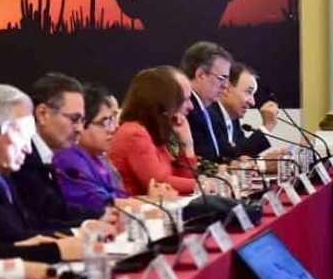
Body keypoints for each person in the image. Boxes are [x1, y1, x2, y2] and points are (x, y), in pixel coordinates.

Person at [0, 88, 82, 262]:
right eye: (22, 136)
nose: (28, 149)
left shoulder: (4, 176)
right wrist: (56, 250)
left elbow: (27, 231)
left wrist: (78, 232)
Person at [11, 72, 105, 224]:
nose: (80, 128)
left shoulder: (46, 155)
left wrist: (102, 216)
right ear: (42, 114)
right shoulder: (22, 159)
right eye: (74, 119)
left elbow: (56, 209)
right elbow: (40, 219)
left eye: (82, 120)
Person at [109, 66, 199, 196]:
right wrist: (204, 184)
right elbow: (160, 183)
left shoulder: (154, 132)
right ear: (163, 102)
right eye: (183, 100)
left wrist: (187, 144)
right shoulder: (134, 133)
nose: (191, 106)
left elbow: (184, 181)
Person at [52, 84, 131, 214]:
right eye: (104, 122)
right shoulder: (67, 157)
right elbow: (96, 202)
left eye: (112, 120)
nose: (112, 129)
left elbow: (119, 197)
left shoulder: (100, 158)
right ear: (82, 123)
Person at [210, 62, 277, 158]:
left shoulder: (233, 120)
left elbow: (242, 153)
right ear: (226, 88)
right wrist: (267, 126)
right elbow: (228, 159)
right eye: (248, 92)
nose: (252, 102)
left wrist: (270, 160)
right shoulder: (210, 117)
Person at [181, 41, 233, 162]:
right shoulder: (185, 111)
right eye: (221, 78)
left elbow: (219, 157)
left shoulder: (210, 112)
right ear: (200, 75)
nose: (225, 86)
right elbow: (201, 162)